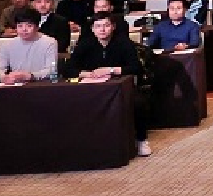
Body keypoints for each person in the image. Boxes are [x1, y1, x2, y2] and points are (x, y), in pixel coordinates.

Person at [66, 13, 153, 156]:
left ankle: (141, 140)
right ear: (92, 29)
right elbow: (68, 69)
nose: (102, 30)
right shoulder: (85, 44)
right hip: (92, 86)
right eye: (98, 26)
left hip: (120, 86)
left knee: (138, 102)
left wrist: (111, 70)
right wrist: (86, 73)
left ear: (113, 27)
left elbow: (136, 68)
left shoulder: (123, 43)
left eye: (106, 26)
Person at [0, 8, 60, 83]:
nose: (24, 29)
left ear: (37, 27)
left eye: (29, 26)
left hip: (41, 84)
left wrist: (30, 76)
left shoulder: (50, 42)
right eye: (20, 26)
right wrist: (4, 77)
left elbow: (51, 70)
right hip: (16, 85)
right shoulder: (7, 45)